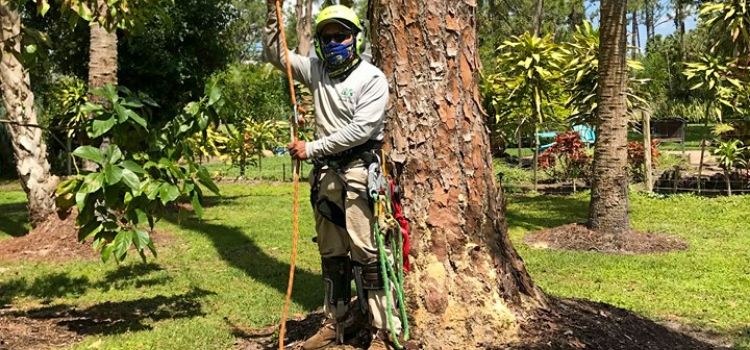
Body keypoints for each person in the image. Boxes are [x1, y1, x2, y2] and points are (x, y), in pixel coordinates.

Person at [264, 2, 400, 349]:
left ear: (356, 38)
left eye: (341, 35)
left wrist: (311, 148)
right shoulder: (316, 69)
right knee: (332, 254)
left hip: (358, 173)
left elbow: (360, 130)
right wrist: (271, 11)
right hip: (326, 177)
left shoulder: (371, 79)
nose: (333, 42)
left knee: (368, 253)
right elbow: (276, 54)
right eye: (326, 36)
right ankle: (335, 323)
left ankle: (384, 330)